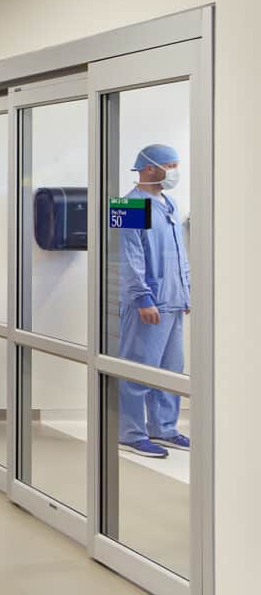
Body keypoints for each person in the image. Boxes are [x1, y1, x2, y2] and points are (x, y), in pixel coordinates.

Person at [117, 144, 191, 458]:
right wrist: (142, 297)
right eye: (170, 165)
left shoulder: (168, 202)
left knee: (170, 369)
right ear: (149, 168)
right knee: (139, 367)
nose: (175, 172)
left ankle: (163, 428)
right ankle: (131, 432)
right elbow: (129, 257)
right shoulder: (127, 205)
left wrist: (185, 291)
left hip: (173, 300)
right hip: (146, 303)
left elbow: (178, 252)